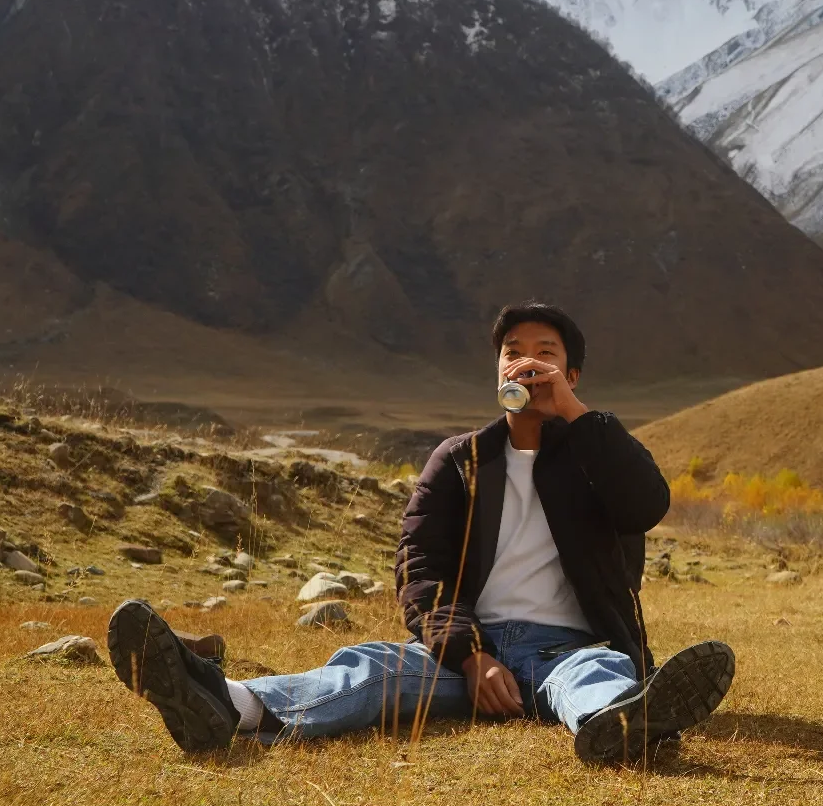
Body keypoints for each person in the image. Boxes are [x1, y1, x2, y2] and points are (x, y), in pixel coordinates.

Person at [105, 300, 735, 765]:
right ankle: (222, 703)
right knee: (369, 671)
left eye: (547, 353)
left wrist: (576, 417)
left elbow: (645, 505)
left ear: (572, 378)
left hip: (566, 647)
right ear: (497, 372)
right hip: (467, 650)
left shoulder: (598, 454)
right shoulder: (459, 461)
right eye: (514, 350)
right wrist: (471, 655)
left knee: (596, 671)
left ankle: (623, 725)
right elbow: (419, 569)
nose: (528, 361)